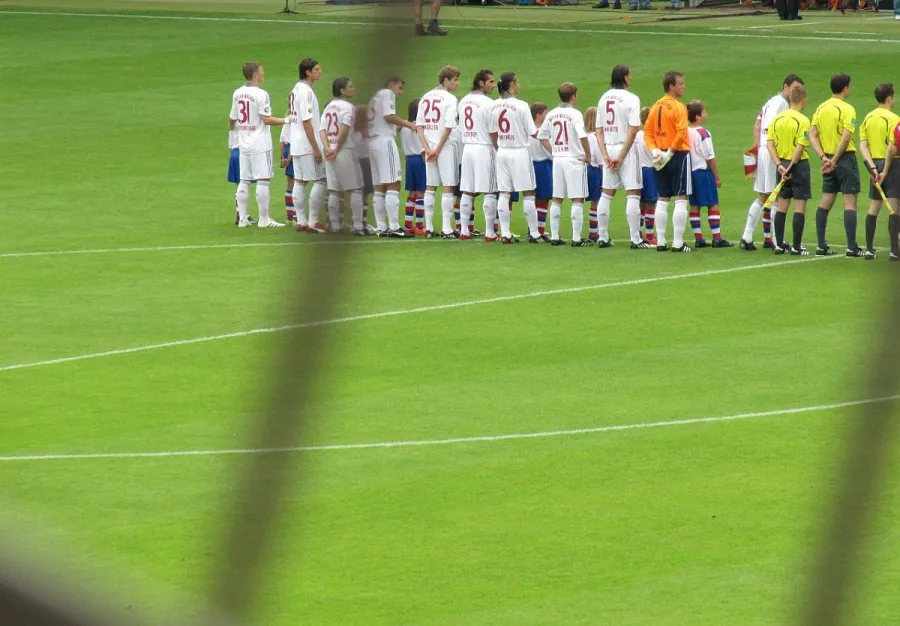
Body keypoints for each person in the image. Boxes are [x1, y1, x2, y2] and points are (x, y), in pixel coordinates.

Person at [740, 74, 805, 251]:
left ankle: (747, 236)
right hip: (771, 152)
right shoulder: (781, 104)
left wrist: (757, 146)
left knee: (763, 195)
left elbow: (757, 124)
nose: (796, 92)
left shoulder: (770, 102)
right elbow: (770, 129)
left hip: (764, 150)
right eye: (794, 88)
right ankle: (778, 241)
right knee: (777, 195)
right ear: (786, 87)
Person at [228, 62, 291, 228]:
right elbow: (266, 119)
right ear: (255, 74)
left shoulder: (237, 93)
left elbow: (232, 120)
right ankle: (264, 219)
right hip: (260, 143)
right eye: (262, 72)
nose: (263, 75)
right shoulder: (261, 94)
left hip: (244, 143)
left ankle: (242, 219)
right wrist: (286, 120)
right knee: (263, 180)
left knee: (244, 180)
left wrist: (238, 131)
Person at [809, 73, 862, 257]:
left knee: (826, 200)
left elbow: (812, 134)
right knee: (850, 201)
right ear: (845, 88)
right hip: (845, 159)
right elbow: (846, 138)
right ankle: (850, 247)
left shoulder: (821, 108)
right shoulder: (848, 109)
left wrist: (824, 157)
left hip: (828, 159)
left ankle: (821, 245)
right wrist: (835, 159)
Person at [596, 64, 647, 249]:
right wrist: (621, 156)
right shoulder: (632, 99)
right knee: (633, 193)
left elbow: (598, 129)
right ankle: (635, 239)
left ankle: (602, 237)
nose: (631, 78)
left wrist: (605, 155)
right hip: (626, 149)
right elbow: (634, 130)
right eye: (630, 75)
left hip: (608, 149)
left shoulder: (603, 98)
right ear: (625, 77)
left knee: (606, 193)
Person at [537, 82, 591, 246]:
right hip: (574, 159)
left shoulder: (551, 114)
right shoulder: (575, 114)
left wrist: (553, 151)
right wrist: (588, 155)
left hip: (558, 159)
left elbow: (541, 136)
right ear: (573, 96)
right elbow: (583, 136)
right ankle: (576, 238)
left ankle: (554, 236)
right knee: (577, 198)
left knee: (557, 198)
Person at [643, 70, 692, 252]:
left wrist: (654, 150)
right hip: (677, 154)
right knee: (681, 197)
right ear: (671, 86)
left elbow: (647, 132)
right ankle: (678, 242)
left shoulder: (655, 106)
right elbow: (681, 133)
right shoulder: (679, 107)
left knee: (662, 198)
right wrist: (670, 152)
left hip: (659, 156)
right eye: (680, 84)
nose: (683, 87)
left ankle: (661, 241)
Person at [489, 72, 540, 244]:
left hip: (502, 151)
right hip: (519, 151)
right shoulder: (522, 105)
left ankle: (505, 233)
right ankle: (534, 233)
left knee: (504, 193)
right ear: (511, 85)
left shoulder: (493, 106)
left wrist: (498, 148)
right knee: (528, 192)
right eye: (517, 82)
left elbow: (492, 131)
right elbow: (533, 132)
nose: (519, 85)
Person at [765, 86, 812, 255]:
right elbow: (800, 147)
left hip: (781, 165)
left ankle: (778, 245)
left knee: (782, 204)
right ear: (804, 100)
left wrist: (779, 165)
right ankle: (796, 247)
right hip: (797, 166)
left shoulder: (777, 119)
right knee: (799, 206)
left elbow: (769, 143)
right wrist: (791, 167)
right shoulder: (803, 121)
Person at [416, 66, 462, 239]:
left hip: (429, 146)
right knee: (448, 186)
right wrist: (438, 149)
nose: (457, 83)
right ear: (445, 80)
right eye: (455, 80)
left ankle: (428, 228)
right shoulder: (450, 99)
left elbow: (418, 126)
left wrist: (428, 149)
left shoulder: (425, 97)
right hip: (444, 146)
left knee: (430, 187)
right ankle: (446, 228)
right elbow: (449, 127)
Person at [369, 76, 417, 237]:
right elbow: (389, 116)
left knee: (379, 187)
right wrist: (409, 124)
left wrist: (400, 125)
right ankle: (395, 227)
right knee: (393, 184)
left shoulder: (374, 98)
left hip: (372, 142)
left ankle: (382, 227)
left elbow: (385, 122)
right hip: (384, 142)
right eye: (400, 88)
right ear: (391, 84)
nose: (400, 93)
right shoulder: (386, 93)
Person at [319, 78, 366, 235]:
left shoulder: (328, 107)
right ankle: (358, 226)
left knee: (333, 189)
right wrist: (337, 149)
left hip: (330, 153)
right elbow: (344, 130)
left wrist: (328, 148)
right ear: (342, 90)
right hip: (345, 151)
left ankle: (335, 225)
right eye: (350, 86)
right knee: (355, 189)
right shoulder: (348, 107)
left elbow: (322, 130)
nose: (354, 89)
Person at [458, 69, 500, 241]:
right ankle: (490, 232)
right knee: (490, 190)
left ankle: (464, 230)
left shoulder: (463, 101)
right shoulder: (488, 103)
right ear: (481, 83)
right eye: (491, 82)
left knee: (467, 190)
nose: (494, 85)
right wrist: (498, 148)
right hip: (484, 147)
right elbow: (492, 130)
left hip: (468, 148)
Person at [859, 83, 899, 260]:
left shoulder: (868, 118)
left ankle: (869, 249)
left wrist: (873, 167)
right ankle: (893, 250)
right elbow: (892, 148)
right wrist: (884, 169)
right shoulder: (894, 119)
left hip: (874, 165)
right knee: (894, 207)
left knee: (874, 206)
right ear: (889, 98)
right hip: (893, 165)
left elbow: (863, 145)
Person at [687, 101, 732, 248]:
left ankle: (699, 238)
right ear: (698, 116)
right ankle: (717, 237)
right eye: (704, 112)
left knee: (695, 205)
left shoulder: (685, 131)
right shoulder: (703, 133)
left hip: (690, 173)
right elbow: (709, 157)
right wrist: (717, 177)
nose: (706, 115)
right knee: (713, 204)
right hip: (702, 171)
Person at [289, 58, 327, 233]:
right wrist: (315, 147)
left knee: (300, 181)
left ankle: (302, 221)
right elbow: (306, 121)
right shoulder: (306, 92)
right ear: (308, 72)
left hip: (296, 143)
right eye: (317, 69)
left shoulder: (295, 89)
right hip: (306, 143)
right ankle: (312, 221)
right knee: (321, 180)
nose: (320, 72)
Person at [402, 99, 427, 235]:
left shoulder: (405, 125)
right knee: (420, 193)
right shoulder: (419, 127)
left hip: (409, 160)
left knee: (411, 192)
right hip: (419, 159)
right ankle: (419, 225)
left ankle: (408, 225)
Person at [876, 120, 900, 260]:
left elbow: (891, 149)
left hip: (895, 168)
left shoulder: (897, 126)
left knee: (894, 209)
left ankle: (894, 250)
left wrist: (884, 172)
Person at [529, 103, 553, 240]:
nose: (547, 116)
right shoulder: (542, 133)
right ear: (538, 115)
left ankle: (532, 229)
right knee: (544, 199)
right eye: (545, 113)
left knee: (532, 198)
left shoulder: (527, 131)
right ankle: (540, 230)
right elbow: (549, 151)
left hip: (530, 166)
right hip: (543, 166)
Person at [635, 107, 657, 244]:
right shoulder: (652, 136)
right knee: (650, 203)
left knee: (640, 203)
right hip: (650, 170)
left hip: (637, 171)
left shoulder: (636, 135)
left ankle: (638, 232)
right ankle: (649, 235)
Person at [583, 107, 603, 242]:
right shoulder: (595, 138)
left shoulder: (583, 137)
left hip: (585, 169)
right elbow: (599, 156)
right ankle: (594, 233)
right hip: (596, 171)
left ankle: (593, 232)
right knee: (597, 203)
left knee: (591, 202)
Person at [278, 121, 295, 224]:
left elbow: (282, 140)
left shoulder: (287, 120)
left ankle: (289, 216)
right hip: (295, 149)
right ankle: (296, 216)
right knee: (298, 183)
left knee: (290, 184)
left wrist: (282, 157)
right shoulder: (297, 118)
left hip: (287, 149)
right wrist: (289, 157)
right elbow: (297, 139)